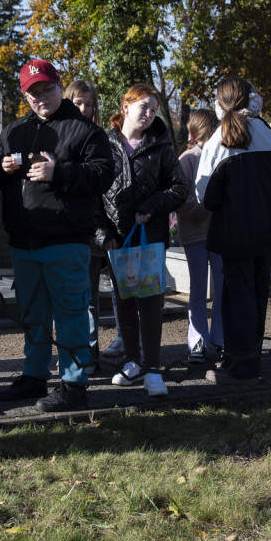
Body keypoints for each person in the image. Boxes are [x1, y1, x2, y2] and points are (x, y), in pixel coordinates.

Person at [0, 59, 112, 411]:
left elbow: (103, 174)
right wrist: (1, 167)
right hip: (24, 240)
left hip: (65, 239)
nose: (40, 98)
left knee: (71, 313)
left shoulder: (85, 130)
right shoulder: (15, 130)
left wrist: (60, 172)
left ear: (59, 86)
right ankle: (34, 376)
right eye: (32, 93)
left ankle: (74, 383)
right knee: (33, 314)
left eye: (46, 89)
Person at [97, 83, 186, 397]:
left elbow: (179, 188)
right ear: (125, 107)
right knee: (123, 303)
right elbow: (92, 196)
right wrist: (103, 234)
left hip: (150, 238)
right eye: (143, 107)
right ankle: (132, 361)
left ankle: (152, 368)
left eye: (153, 109)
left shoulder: (161, 147)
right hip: (116, 241)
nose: (148, 114)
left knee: (149, 303)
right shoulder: (103, 145)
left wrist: (151, 206)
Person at [195, 77, 271, 384]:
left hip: (234, 234)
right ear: (251, 99)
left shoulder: (217, 139)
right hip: (264, 233)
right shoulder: (267, 133)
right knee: (257, 297)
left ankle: (238, 367)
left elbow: (205, 197)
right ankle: (250, 360)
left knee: (237, 300)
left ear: (219, 102)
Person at [62, 79, 119, 371]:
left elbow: (104, 191)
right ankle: (74, 356)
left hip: (96, 231)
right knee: (74, 299)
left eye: (89, 103)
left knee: (90, 298)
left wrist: (103, 231)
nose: (85, 108)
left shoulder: (101, 139)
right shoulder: (59, 135)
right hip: (67, 230)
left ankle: (89, 356)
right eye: (78, 103)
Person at [176, 108, 223, 364]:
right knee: (197, 289)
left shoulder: (217, 156)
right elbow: (180, 202)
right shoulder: (187, 159)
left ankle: (219, 338)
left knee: (222, 287)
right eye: (211, 128)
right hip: (195, 234)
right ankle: (197, 341)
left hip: (217, 234)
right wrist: (208, 207)